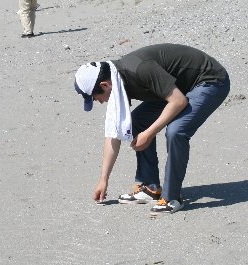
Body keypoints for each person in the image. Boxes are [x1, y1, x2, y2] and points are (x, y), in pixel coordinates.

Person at [74, 44, 230, 214]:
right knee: (135, 122)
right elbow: (113, 134)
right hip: (179, 86)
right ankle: (150, 187)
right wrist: (103, 179)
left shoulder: (139, 69)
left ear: (105, 85)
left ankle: (172, 197)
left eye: (96, 98)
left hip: (209, 81)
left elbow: (178, 101)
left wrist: (149, 133)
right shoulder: (116, 80)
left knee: (176, 131)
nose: (100, 102)